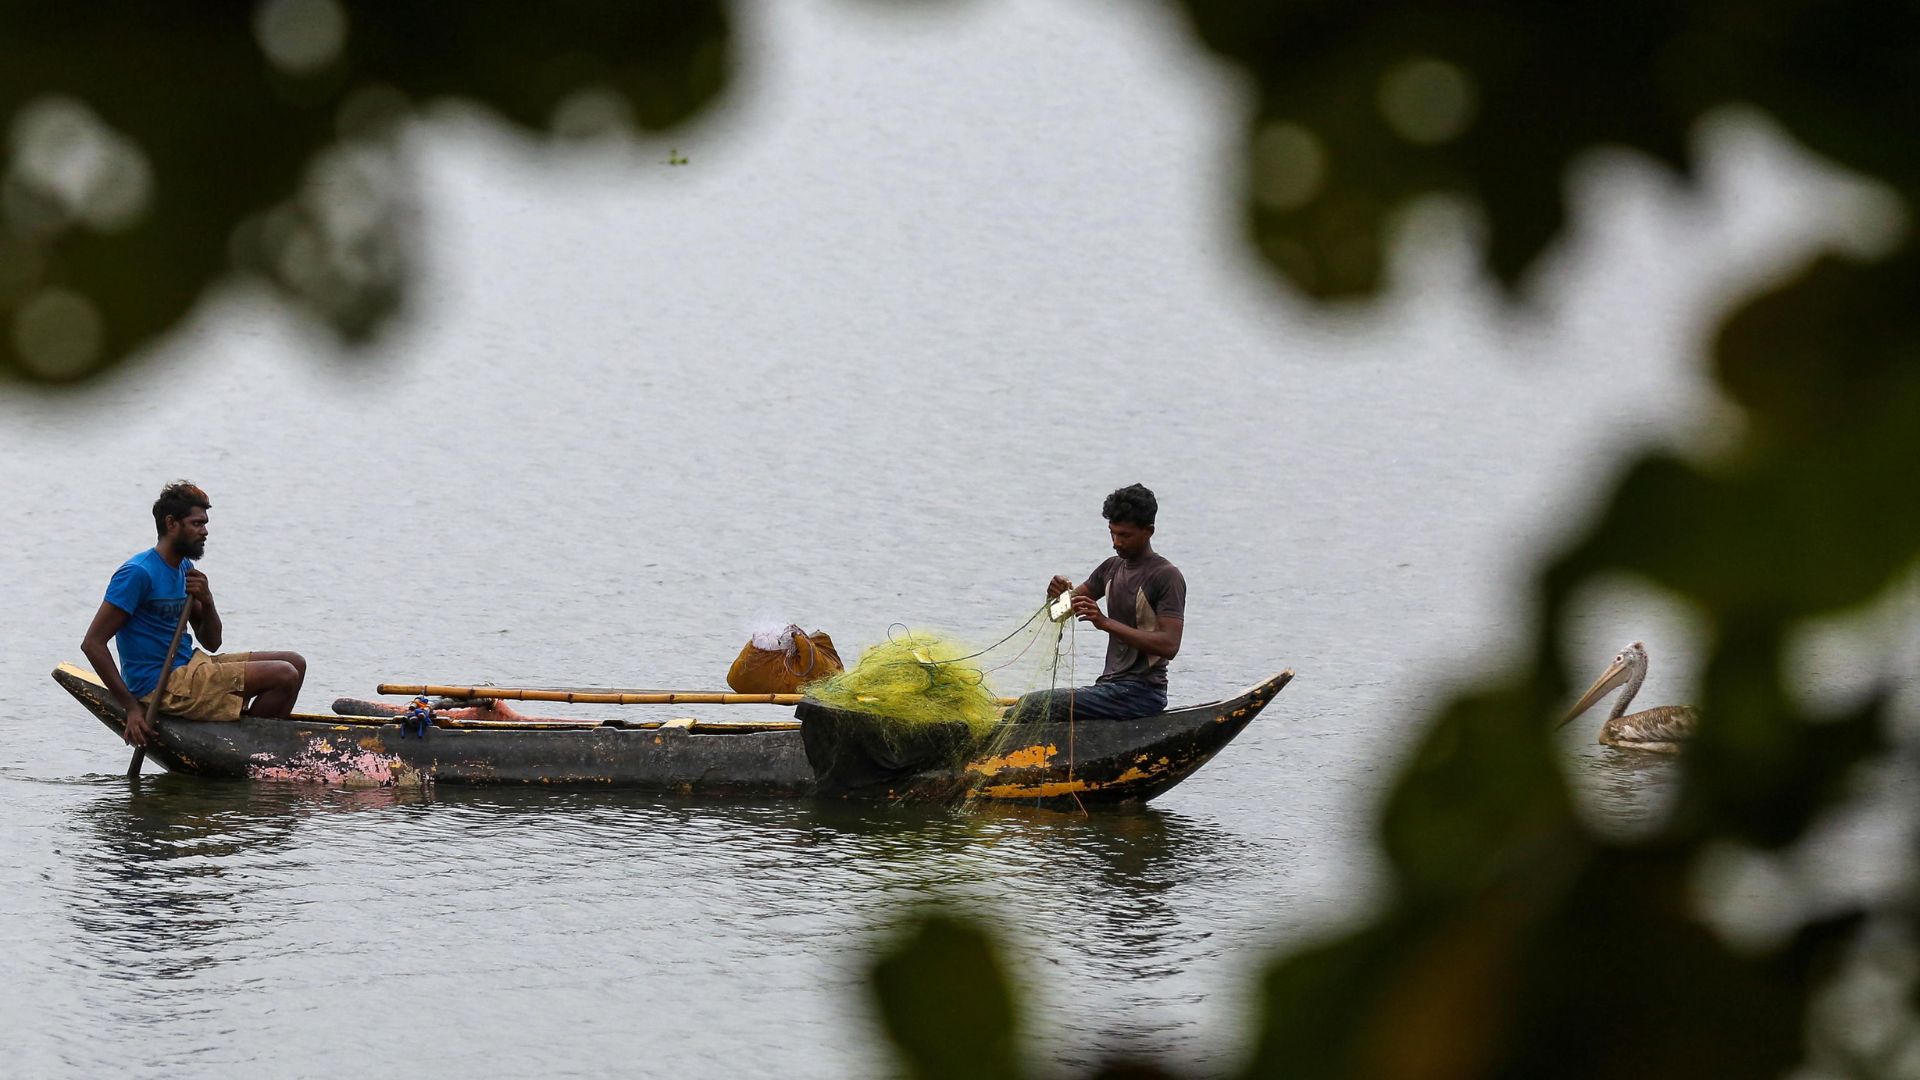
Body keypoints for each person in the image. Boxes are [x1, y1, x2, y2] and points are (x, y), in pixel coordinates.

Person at [79, 481, 307, 747]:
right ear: (171, 524)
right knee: (284, 675)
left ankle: (252, 738)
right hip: (160, 686)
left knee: (296, 663)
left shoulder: (185, 568)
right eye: (197, 524)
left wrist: (207, 601)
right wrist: (130, 708)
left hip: (191, 667)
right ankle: (250, 748)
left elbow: (212, 642)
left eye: (205, 524)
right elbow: (92, 644)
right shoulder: (137, 573)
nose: (205, 531)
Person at [1010, 483, 1186, 722]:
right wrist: (1055, 595)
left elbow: (1169, 645)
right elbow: (1057, 614)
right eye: (1112, 533)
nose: (1116, 542)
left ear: (1149, 531)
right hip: (1109, 688)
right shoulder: (1110, 568)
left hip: (1142, 694)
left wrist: (1104, 622)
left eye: (1125, 535)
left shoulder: (1166, 576)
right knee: (1023, 708)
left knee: (1033, 706)